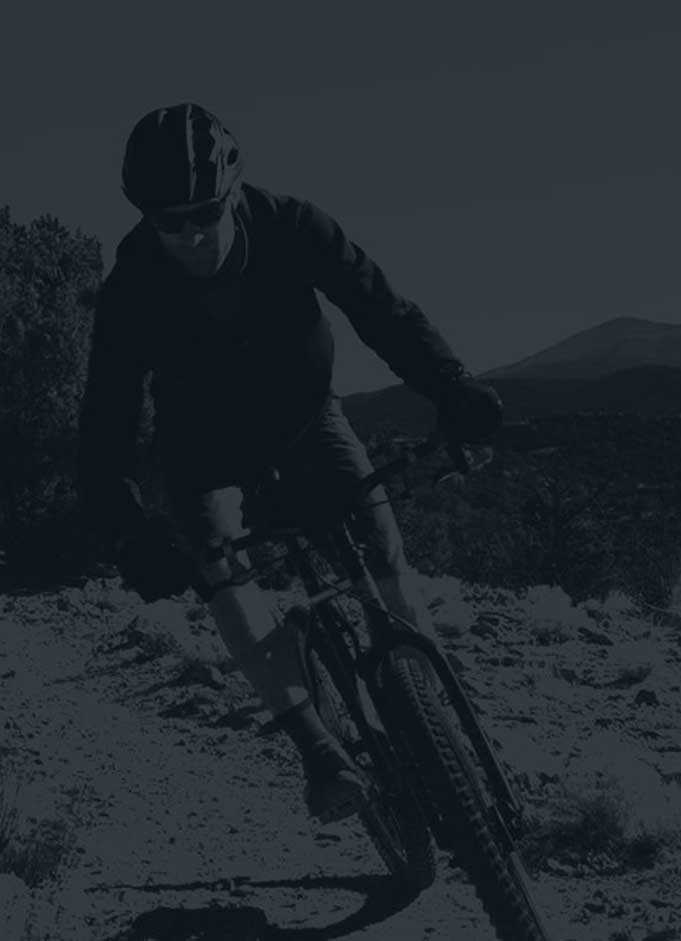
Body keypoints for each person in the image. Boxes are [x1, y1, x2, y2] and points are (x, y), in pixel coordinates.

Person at [76, 102, 504, 825]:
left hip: (307, 420)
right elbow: (105, 423)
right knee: (220, 576)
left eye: (205, 211)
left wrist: (450, 385)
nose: (191, 233)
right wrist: (128, 530)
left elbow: (380, 309)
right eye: (168, 220)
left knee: (388, 562)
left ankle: (441, 727)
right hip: (201, 450)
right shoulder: (131, 287)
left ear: (234, 193)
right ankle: (318, 751)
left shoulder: (293, 227)